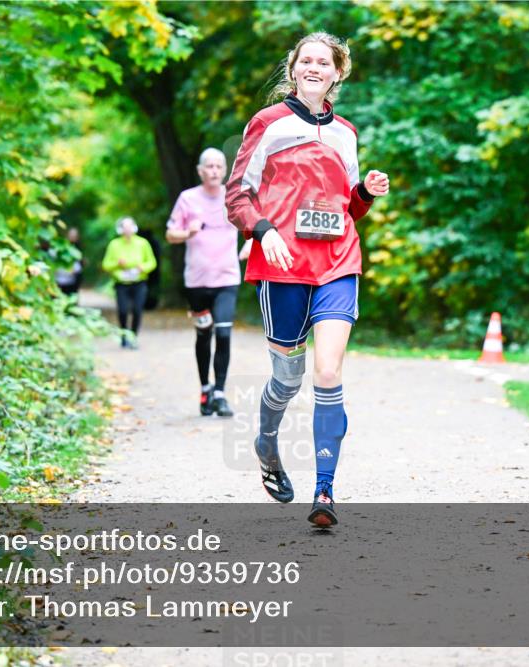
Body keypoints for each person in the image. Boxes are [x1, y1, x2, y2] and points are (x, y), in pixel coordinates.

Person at [226, 32, 390, 527]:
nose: (314, 67)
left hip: (338, 262)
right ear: (294, 70)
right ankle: (267, 442)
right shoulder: (268, 124)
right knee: (287, 378)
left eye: (324, 61)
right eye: (306, 60)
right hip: (283, 266)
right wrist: (263, 229)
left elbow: (347, 210)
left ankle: (325, 491)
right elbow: (237, 194)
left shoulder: (346, 132)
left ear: (337, 73)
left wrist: (364, 191)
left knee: (327, 372)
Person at [166, 148, 250, 418]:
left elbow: (253, 224)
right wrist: (185, 233)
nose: (214, 171)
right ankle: (205, 388)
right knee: (204, 335)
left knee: (224, 333)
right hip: (197, 282)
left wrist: (251, 242)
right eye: (209, 166)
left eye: (218, 166)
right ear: (201, 171)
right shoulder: (187, 199)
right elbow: (170, 234)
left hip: (227, 279)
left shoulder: (234, 197)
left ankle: (220, 393)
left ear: (225, 171)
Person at [101, 216, 157, 349]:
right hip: (121, 284)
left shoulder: (143, 243)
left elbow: (152, 262)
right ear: (120, 229)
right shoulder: (114, 244)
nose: (127, 230)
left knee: (137, 310)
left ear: (134, 228)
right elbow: (106, 264)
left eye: (130, 226)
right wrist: (117, 264)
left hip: (139, 282)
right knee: (123, 311)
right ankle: (124, 336)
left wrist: (143, 267)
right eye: (125, 227)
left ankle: (133, 337)